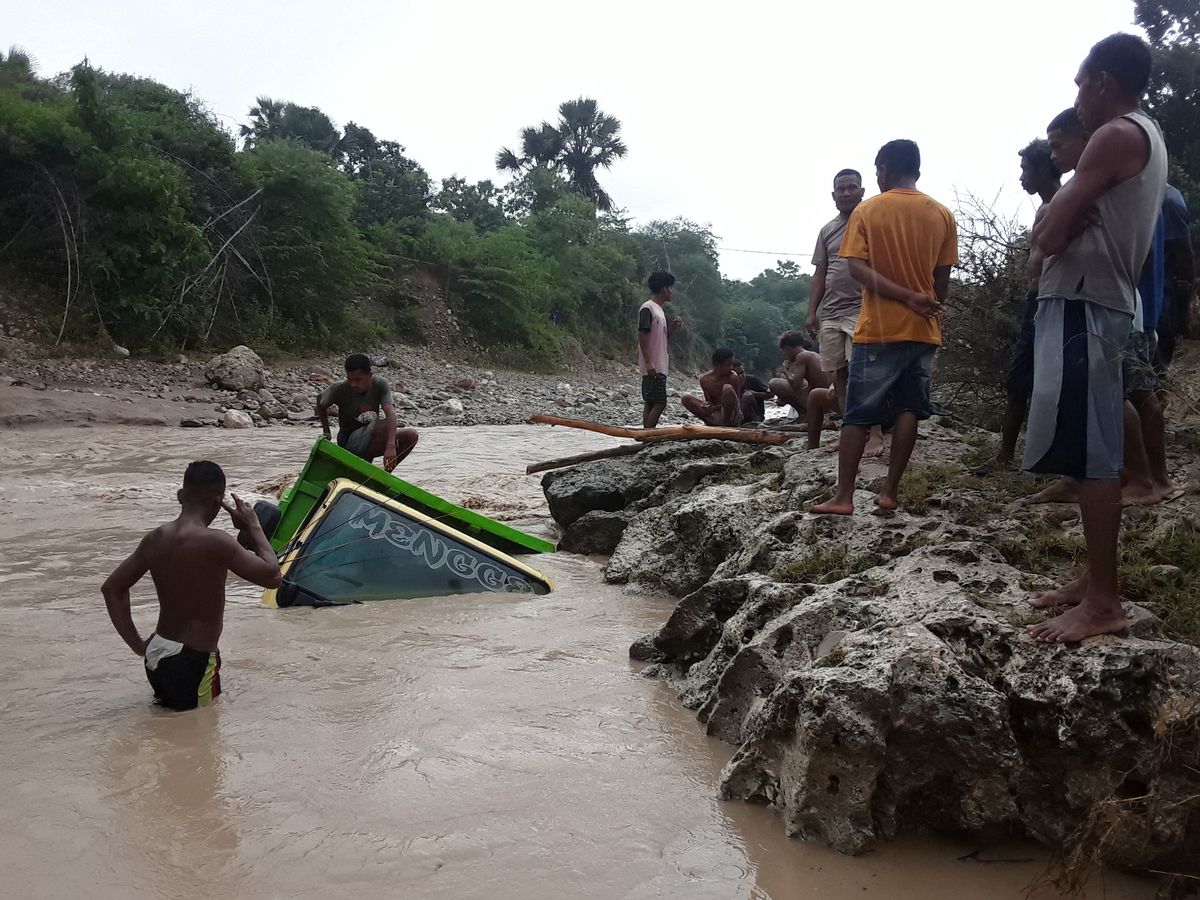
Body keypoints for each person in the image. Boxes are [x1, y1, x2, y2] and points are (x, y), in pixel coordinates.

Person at [1023, 33, 1167, 643]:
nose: (1077, 95)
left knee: (1095, 449)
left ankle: (1104, 602)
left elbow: (1049, 237)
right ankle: (1093, 581)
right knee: (1088, 444)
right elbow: (1060, 221)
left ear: (1104, 81)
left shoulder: (1113, 134)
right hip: (1097, 299)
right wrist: (1063, 213)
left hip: (1085, 300)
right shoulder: (1147, 135)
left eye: (1082, 82)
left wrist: (1058, 215)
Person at [811, 139, 958, 515]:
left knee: (858, 413)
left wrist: (904, 297)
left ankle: (843, 497)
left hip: (879, 329)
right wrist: (925, 302)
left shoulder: (868, 211)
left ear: (882, 170)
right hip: (924, 329)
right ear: (918, 171)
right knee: (909, 409)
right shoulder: (941, 214)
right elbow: (942, 279)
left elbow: (857, 268)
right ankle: (889, 493)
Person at [102, 462, 282, 711]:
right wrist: (253, 526)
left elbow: (112, 588)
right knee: (204, 738)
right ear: (219, 501)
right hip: (193, 661)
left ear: (181, 495)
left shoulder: (155, 538)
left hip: (156, 655)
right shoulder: (217, 542)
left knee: (172, 733)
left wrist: (138, 645)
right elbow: (273, 576)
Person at [977, 138, 1062, 473]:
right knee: (1021, 379)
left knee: (1034, 380)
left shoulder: (1060, 203)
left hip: (1051, 300)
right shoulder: (1048, 206)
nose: (1022, 177)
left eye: (1026, 169)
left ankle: (1014, 457)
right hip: (1039, 299)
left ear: (1043, 168)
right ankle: (1008, 456)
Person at [805, 169, 885, 456]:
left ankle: (875, 433)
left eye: (853, 187)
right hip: (831, 313)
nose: (847, 193)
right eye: (841, 189)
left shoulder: (873, 221)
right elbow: (820, 273)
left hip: (863, 309)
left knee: (865, 372)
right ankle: (851, 430)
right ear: (833, 195)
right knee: (837, 376)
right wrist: (812, 311)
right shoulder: (827, 230)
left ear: (862, 191)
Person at [316, 354, 418, 471]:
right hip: (348, 442)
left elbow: (390, 413)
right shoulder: (339, 389)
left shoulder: (380, 384)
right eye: (350, 380)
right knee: (384, 427)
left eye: (358, 380)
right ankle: (368, 467)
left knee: (411, 435)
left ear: (370, 376)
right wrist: (326, 432)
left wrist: (390, 446)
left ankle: (385, 475)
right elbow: (320, 402)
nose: (353, 384)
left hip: (370, 437)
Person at [638, 271, 684, 428]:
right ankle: (648, 436)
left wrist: (672, 329)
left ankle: (646, 435)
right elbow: (642, 335)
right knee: (660, 401)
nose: (672, 291)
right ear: (664, 289)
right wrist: (649, 362)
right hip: (653, 365)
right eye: (671, 288)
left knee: (651, 401)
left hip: (659, 364)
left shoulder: (660, 311)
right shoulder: (648, 308)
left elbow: (662, 339)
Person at [1157, 184, 1196, 367]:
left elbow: (1183, 250)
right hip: (1155, 292)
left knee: (1153, 371)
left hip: (1160, 293)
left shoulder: (1168, 200)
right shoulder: (1166, 195)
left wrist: (1184, 306)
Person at [682, 348, 755, 426]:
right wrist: (707, 405)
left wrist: (716, 408)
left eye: (731, 364)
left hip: (732, 416)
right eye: (728, 365)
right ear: (717, 364)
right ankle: (710, 422)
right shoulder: (705, 380)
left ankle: (726, 425)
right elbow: (709, 400)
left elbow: (736, 402)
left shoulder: (733, 377)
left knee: (727, 388)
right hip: (716, 414)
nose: (731, 368)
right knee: (686, 398)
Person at [768, 331, 830, 417]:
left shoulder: (802, 356)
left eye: (785, 352)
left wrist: (785, 370)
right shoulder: (812, 354)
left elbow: (795, 384)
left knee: (774, 383)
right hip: (826, 397)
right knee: (785, 380)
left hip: (822, 402)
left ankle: (804, 414)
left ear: (787, 349)